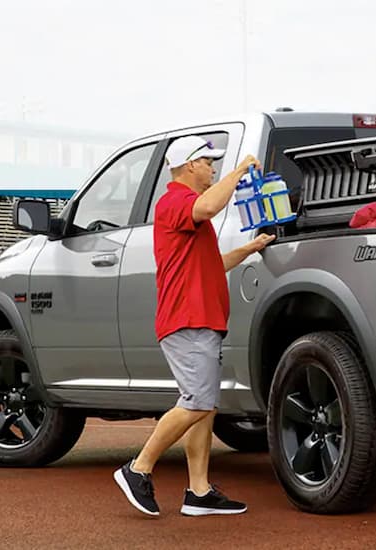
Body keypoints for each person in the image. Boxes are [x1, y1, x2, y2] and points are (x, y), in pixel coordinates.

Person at [114, 136, 275, 517]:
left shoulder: (185, 212)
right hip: (188, 320)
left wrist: (249, 250)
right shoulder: (176, 203)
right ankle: (138, 469)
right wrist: (238, 172)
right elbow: (209, 205)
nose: (213, 167)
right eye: (208, 162)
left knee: (204, 408)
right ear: (189, 166)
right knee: (198, 402)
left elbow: (211, 265)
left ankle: (199, 492)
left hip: (199, 320)